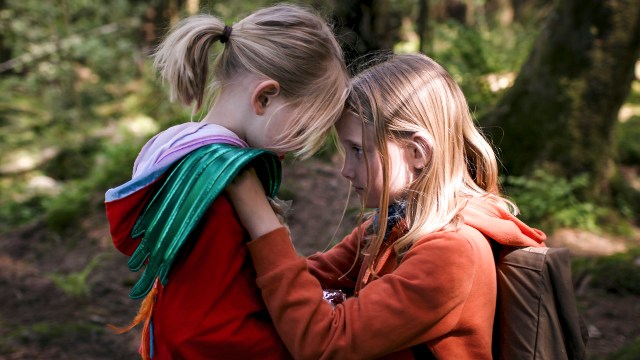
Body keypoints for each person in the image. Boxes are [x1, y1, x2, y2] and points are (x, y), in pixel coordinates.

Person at [227, 53, 547, 359]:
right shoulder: (390, 226)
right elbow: (306, 278)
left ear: (417, 152)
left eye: (357, 150)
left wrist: (262, 222)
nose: (346, 170)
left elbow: (323, 343)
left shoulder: (451, 252)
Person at [104, 4, 349, 359]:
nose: (297, 147)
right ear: (265, 97)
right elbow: (211, 325)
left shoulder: (181, 149)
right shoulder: (220, 188)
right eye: (302, 129)